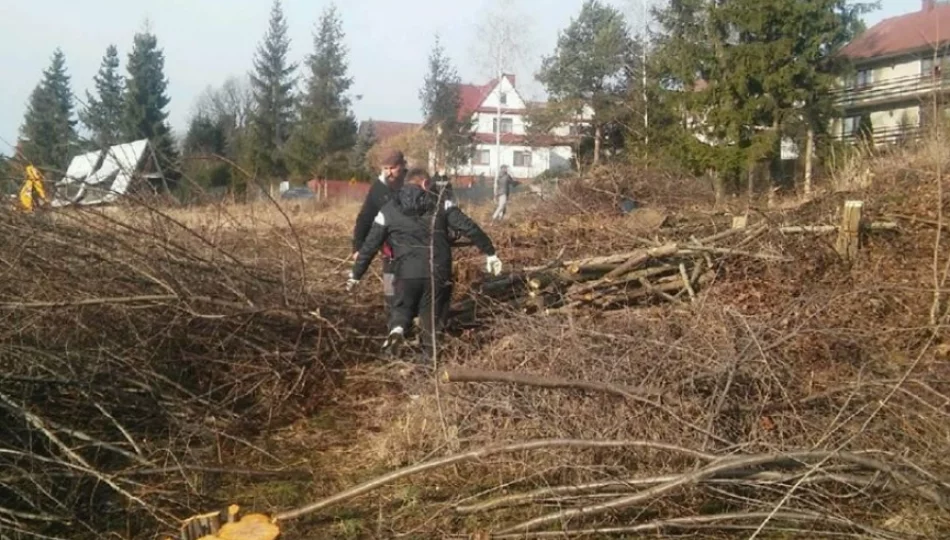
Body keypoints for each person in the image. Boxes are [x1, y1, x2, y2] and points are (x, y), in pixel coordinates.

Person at [347, 168, 502, 362]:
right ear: (425, 184)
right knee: (431, 323)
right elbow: (468, 227)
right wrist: (490, 252)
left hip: (403, 273)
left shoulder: (388, 209)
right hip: (437, 273)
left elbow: (370, 244)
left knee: (401, 307)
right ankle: (427, 370)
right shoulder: (441, 204)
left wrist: (356, 274)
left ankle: (397, 329)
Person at [352, 149, 407, 315]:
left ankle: (411, 319)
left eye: (392, 168)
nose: (389, 172)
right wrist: (357, 247)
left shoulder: (413, 183)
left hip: (413, 249)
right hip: (389, 252)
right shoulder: (378, 189)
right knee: (390, 290)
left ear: (402, 166)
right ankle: (393, 319)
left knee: (410, 288)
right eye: (385, 168)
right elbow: (365, 218)